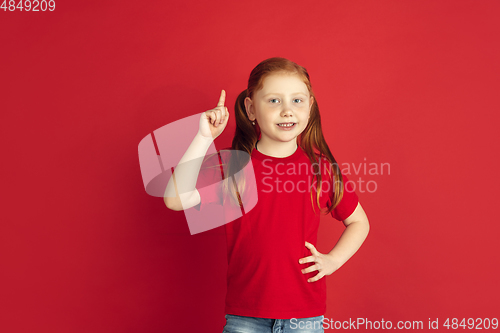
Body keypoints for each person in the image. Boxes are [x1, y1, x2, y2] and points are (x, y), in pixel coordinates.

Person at [164, 57, 370, 333]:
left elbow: (359, 222)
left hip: (305, 319)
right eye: (274, 101)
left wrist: (333, 260)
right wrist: (204, 137)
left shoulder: (321, 169)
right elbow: (175, 199)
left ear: (309, 107)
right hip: (245, 317)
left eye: (297, 101)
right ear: (251, 109)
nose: (287, 111)